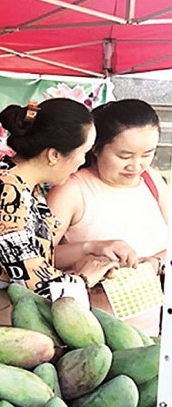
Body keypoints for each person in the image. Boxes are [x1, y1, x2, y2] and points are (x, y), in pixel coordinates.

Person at [0, 98, 119, 345]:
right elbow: (33, 279)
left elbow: (32, 260)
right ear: (54, 155)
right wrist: (83, 279)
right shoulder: (3, 190)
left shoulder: (26, 189)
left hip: (4, 314)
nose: (81, 164)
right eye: (82, 154)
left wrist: (90, 258)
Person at [46, 99, 167, 336]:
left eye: (147, 154)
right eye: (124, 155)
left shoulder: (152, 181)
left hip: (150, 332)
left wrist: (155, 263)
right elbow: (36, 259)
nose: (136, 165)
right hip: (87, 333)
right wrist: (91, 248)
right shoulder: (71, 189)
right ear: (96, 147)